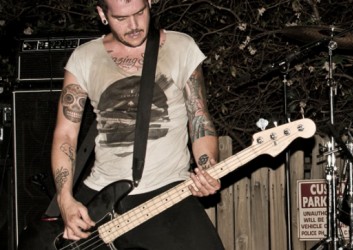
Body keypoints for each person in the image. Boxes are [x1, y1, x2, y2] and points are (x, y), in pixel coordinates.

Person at [19, 0, 224, 249]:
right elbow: (65, 135)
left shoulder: (181, 47)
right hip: (100, 197)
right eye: (121, 18)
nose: (134, 25)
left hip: (169, 193)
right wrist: (65, 199)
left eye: (140, 13)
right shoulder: (84, 58)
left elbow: (199, 118)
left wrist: (207, 168)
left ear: (150, 3)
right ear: (102, 14)